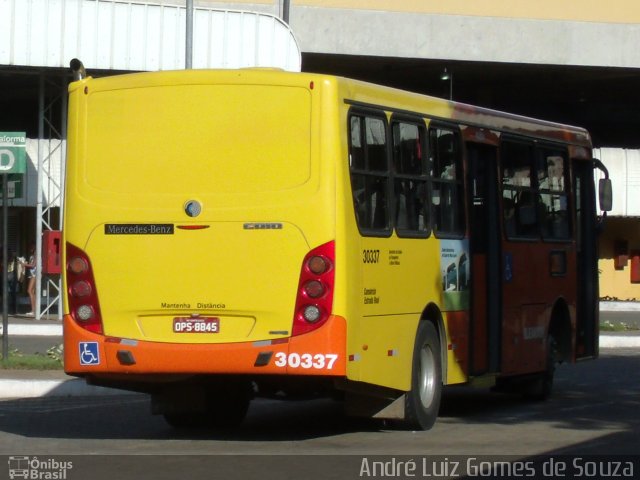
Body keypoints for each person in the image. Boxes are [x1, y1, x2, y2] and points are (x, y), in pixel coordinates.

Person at [20, 245, 36, 316]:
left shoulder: (37, 255)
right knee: (32, 292)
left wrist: (24, 264)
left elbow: (33, 265)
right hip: (32, 274)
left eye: (31, 247)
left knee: (29, 291)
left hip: (35, 274)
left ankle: (33, 310)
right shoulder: (32, 256)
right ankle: (34, 309)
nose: (30, 249)